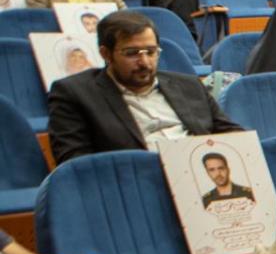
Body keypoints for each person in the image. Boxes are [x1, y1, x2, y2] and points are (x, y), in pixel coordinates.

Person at [47, 11, 240, 163]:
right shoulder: (75, 93)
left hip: (201, 174)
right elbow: (76, 163)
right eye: (132, 53)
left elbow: (235, 135)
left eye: (151, 51)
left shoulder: (188, 85)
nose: (145, 62)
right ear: (106, 54)